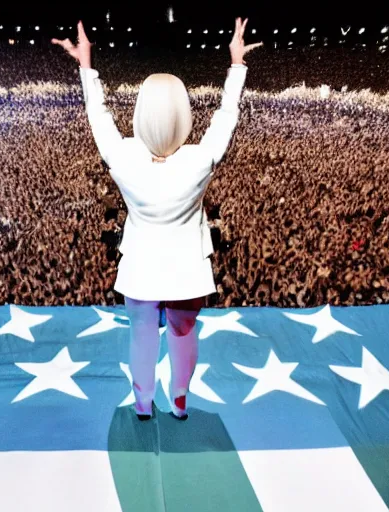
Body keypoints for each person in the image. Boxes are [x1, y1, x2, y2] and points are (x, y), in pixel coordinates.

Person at [52, 19, 262, 421]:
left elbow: (99, 116)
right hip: (187, 269)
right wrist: (236, 65)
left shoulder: (124, 158)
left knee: (142, 336)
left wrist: (86, 65)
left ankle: (143, 402)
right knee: (183, 335)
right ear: (183, 114)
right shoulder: (200, 160)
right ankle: (179, 400)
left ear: (140, 112)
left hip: (140, 268)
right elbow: (226, 116)